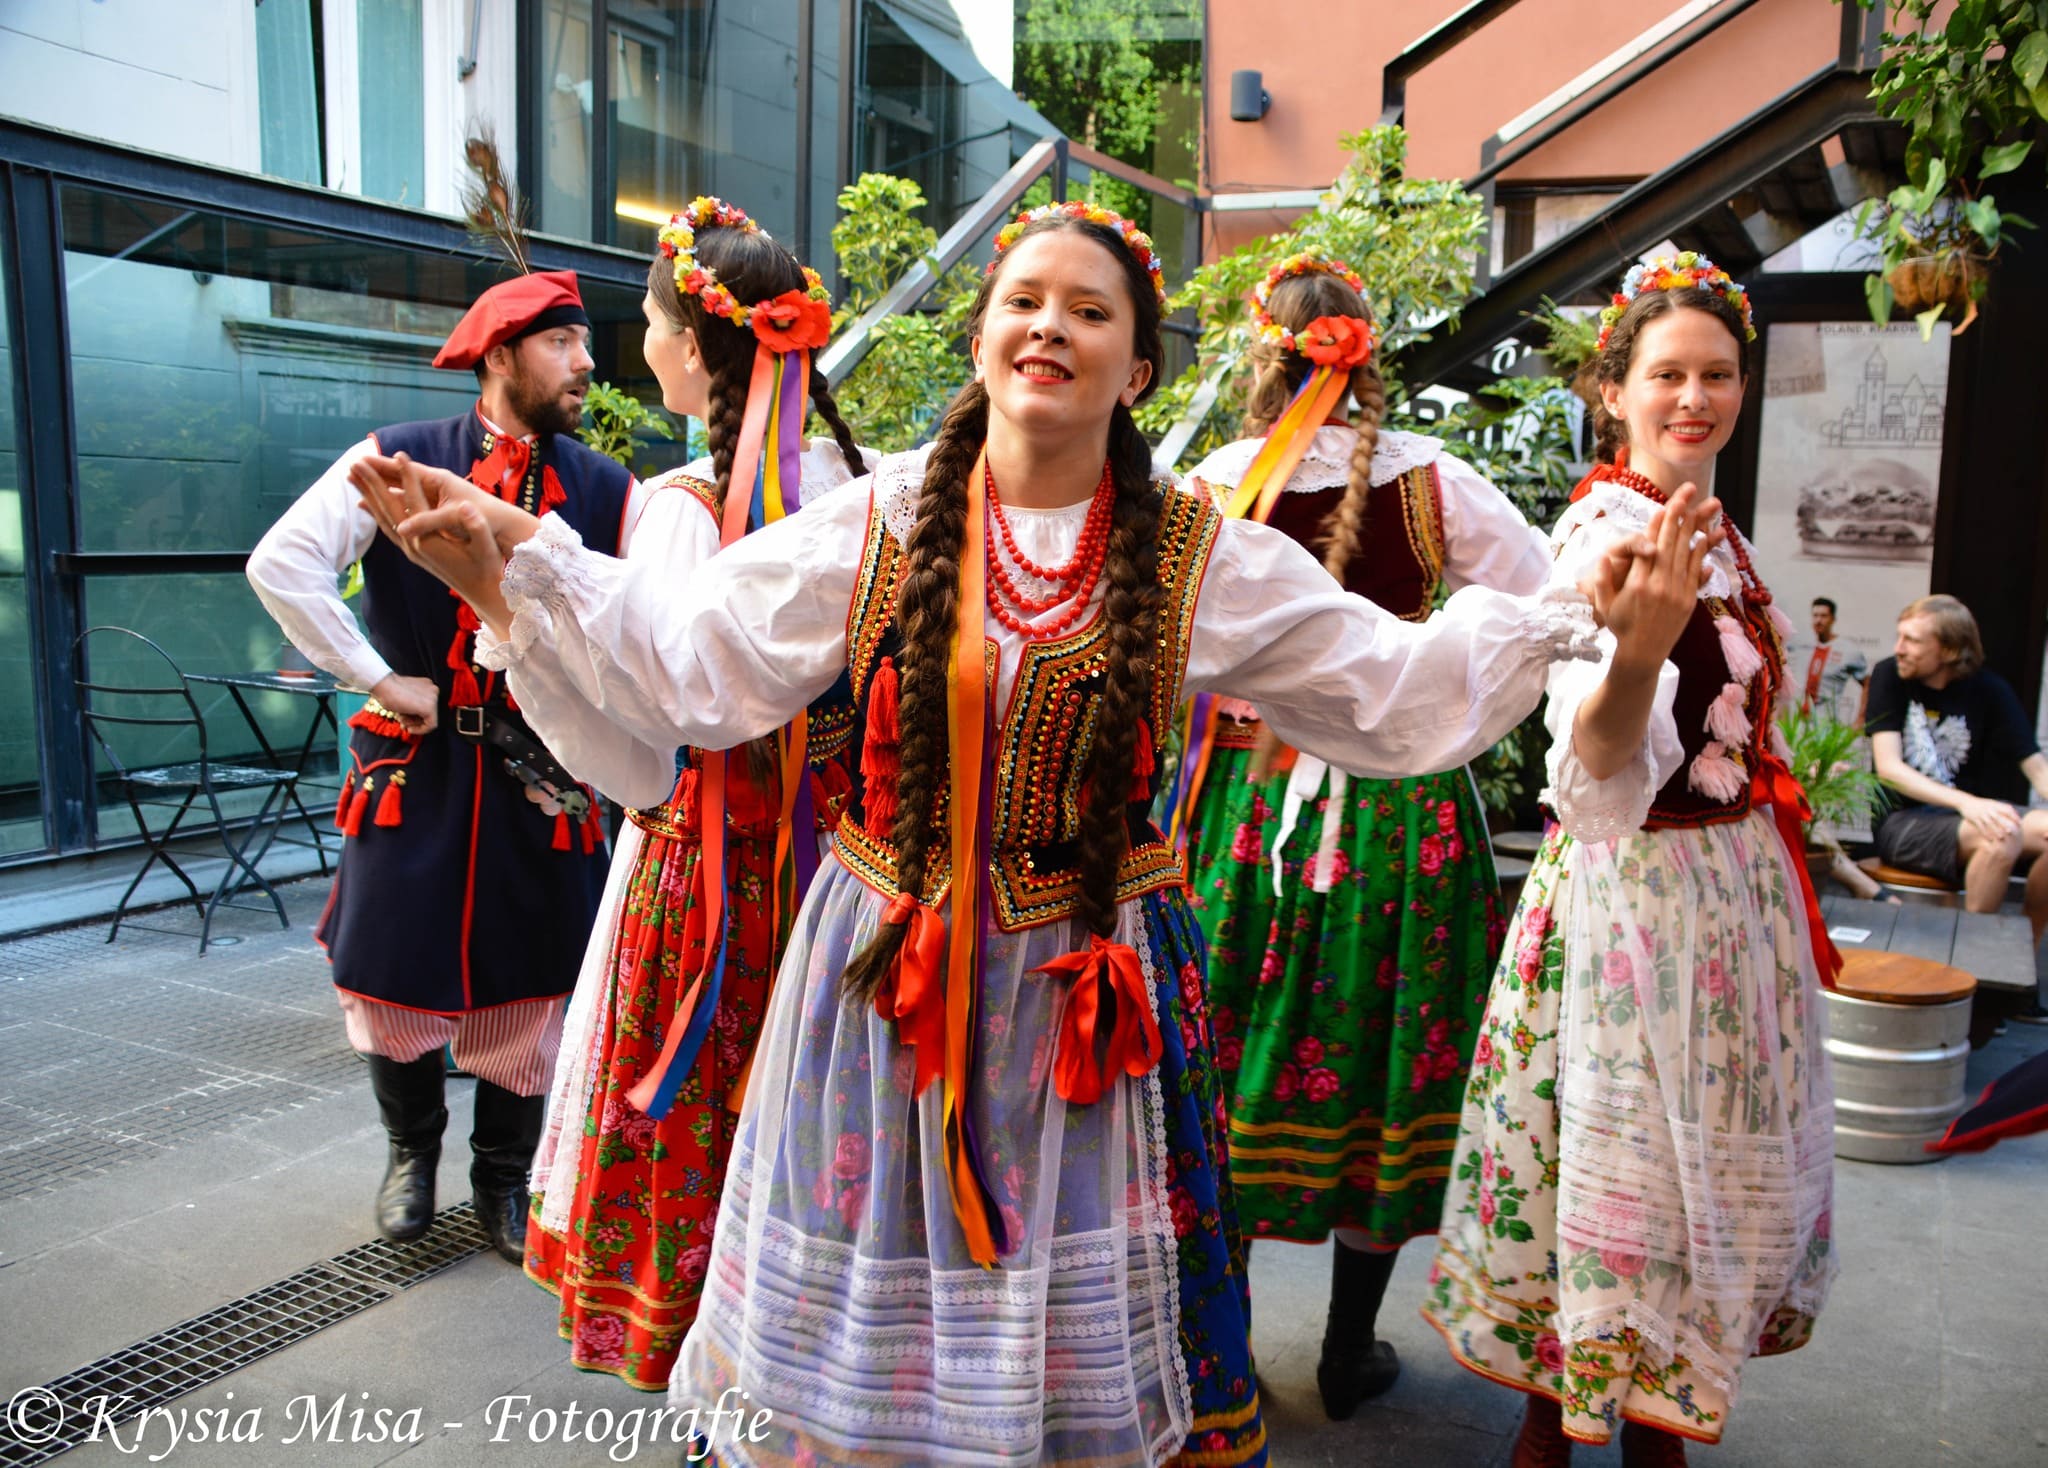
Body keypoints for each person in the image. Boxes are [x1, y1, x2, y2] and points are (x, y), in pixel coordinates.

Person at [352, 203, 1719, 1468]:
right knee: (868, 1305)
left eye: (1088, 309)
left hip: (1091, 996)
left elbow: (1394, 689)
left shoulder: (1194, 552)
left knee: (1069, 1324)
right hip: (878, 985)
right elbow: (692, 664)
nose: (1049, 326)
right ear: (982, 340)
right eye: (1022, 300)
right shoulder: (880, 519)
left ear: (1137, 368)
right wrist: (513, 570)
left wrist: (1576, 610)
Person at [1423, 254, 1838, 1466]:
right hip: (1637, 895)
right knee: (1622, 1156)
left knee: (1676, 1157)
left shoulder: (1706, 525)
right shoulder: (1601, 536)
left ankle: (1639, 1404)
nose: (1693, 397)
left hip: (1729, 888)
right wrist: (1641, 650)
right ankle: (1562, 1424)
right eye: (1666, 374)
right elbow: (1591, 770)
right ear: (1613, 390)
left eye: (1716, 373)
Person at [1176, 253, 1551, 1420]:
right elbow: (1541, 605)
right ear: (1365, 357)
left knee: (1226, 1045)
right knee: (1384, 1055)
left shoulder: (1215, 483)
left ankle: (1223, 1354)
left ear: (1262, 356)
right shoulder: (1436, 480)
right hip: (1401, 806)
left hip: (1248, 803)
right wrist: (1441, 689)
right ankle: (1346, 1351)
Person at [521, 198, 873, 1390]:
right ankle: (816, 1354)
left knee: (704, 1106)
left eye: (650, 318)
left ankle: (709, 1372)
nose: (641, 340)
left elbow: (656, 711)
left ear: (692, 345)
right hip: (852, 860)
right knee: (828, 1108)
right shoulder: (864, 485)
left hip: (713, 865)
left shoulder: (679, 505)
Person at [247, 270, 631, 1265]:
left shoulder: (608, 489)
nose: (586, 363)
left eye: (585, 343)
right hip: (411, 771)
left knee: (533, 982)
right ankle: (410, 1156)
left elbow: (633, 628)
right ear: (501, 356)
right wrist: (380, 677)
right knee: (390, 972)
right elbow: (281, 563)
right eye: (562, 343)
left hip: (540, 778)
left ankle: (502, 1180)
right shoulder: (395, 456)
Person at [1868, 594, 2048, 933]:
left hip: (1967, 817)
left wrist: (1971, 807)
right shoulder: (1889, 675)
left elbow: (2037, 769)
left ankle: (2025, 945)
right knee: (2001, 835)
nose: (1899, 648)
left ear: (1949, 650)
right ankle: (1972, 947)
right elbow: (1889, 769)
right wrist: (1967, 803)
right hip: (1902, 821)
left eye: (1912, 640)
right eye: (1899, 636)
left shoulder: (1989, 690)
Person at [1796, 596, 1868, 722]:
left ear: (1833, 619)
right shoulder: (1801, 646)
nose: (1818, 620)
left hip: (1826, 723)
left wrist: (1860, 719)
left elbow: (1868, 684)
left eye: (1823, 616)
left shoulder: (1848, 650)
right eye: (1815, 615)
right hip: (1799, 722)